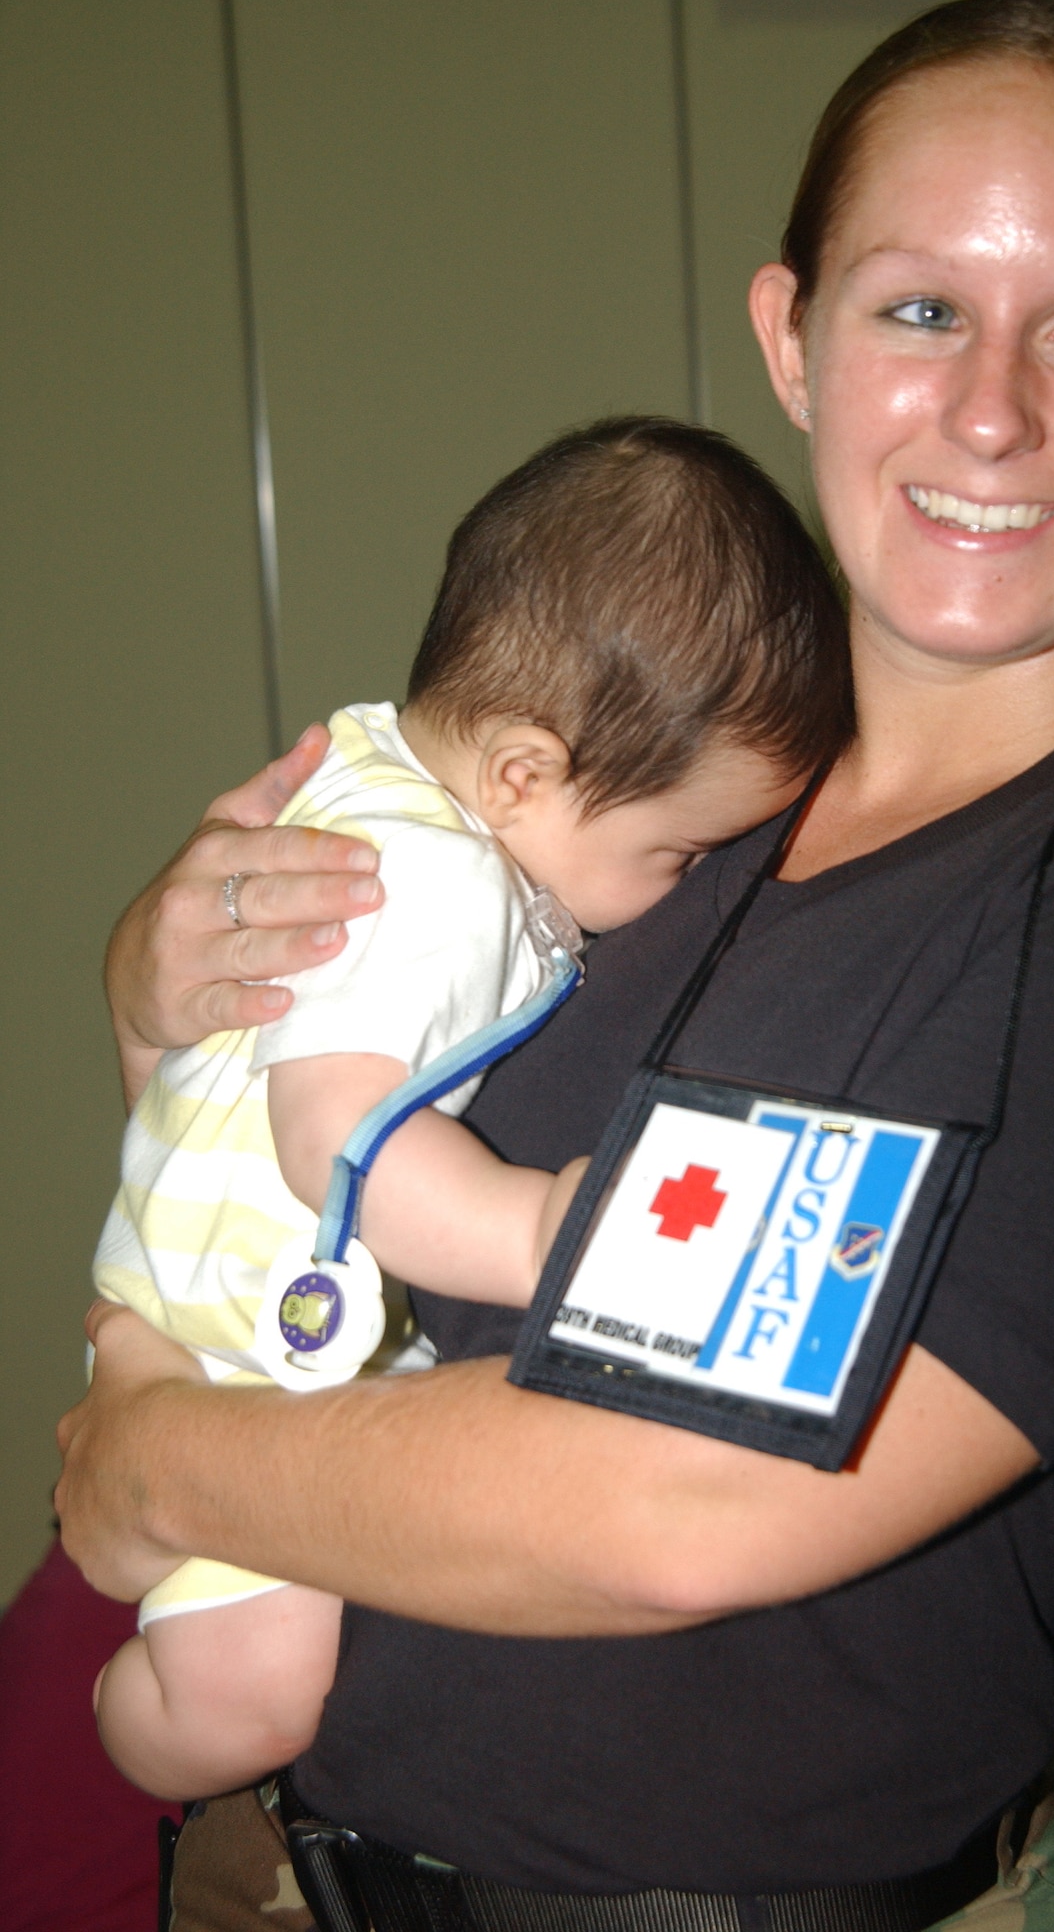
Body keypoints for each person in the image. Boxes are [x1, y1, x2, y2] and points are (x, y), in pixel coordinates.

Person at [55, 0, 1054, 1932]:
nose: (991, 406)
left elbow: (687, 1489)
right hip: (283, 1870)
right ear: (789, 339)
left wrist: (171, 1467)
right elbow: (299, 1156)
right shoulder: (642, 802)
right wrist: (159, 990)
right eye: (914, 307)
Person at [89, 415, 847, 1804]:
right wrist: (542, 1231)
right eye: (671, 850)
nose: (682, 884)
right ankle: (120, 1728)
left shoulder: (382, 778)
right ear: (523, 777)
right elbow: (344, 1142)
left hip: (226, 1274)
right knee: (250, 1694)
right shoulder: (433, 887)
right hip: (238, 1329)